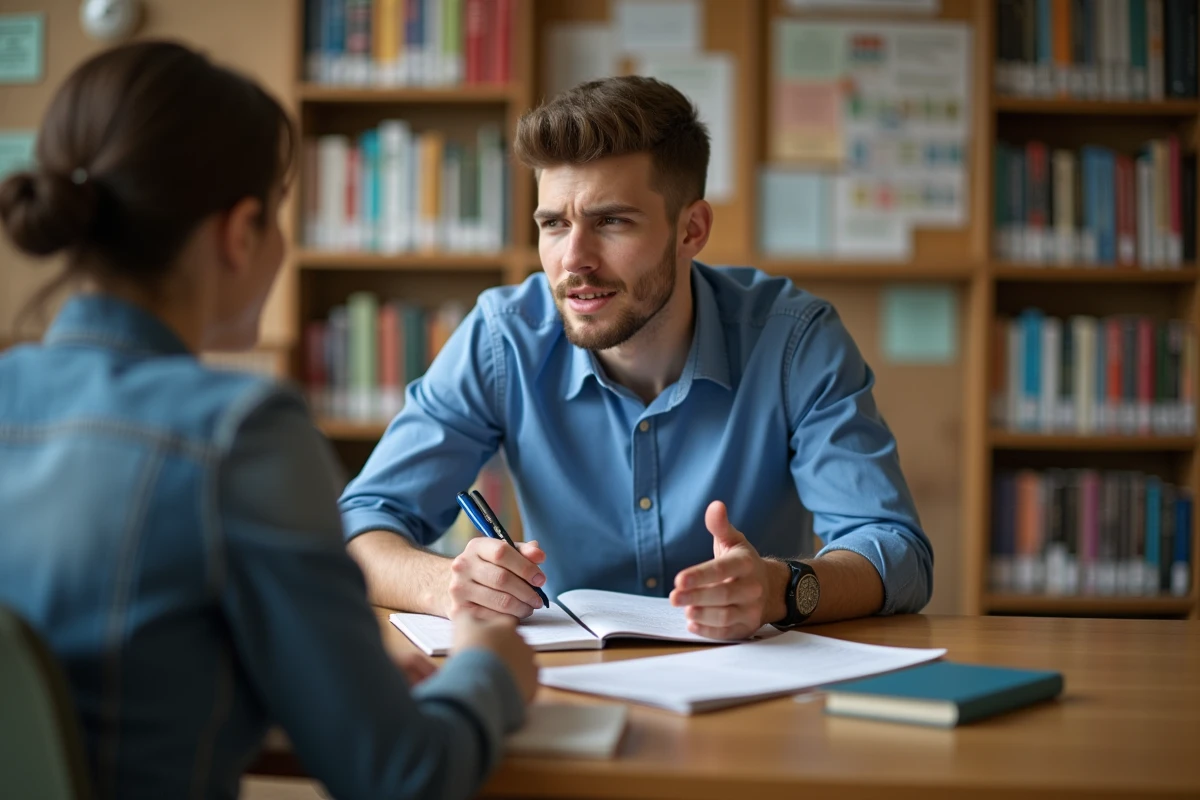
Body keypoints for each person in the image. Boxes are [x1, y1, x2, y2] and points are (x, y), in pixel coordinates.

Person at [0, 40, 536, 800]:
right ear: (241, 230)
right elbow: (403, 775)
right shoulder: (241, 436)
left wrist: (318, 668)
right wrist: (489, 669)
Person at [341, 76, 935, 640]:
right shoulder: (504, 337)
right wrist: (450, 585)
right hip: (570, 686)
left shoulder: (794, 340)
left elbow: (896, 552)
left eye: (612, 222)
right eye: (554, 224)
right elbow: (358, 526)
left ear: (691, 230)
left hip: (751, 689)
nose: (574, 258)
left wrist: (782, 589)